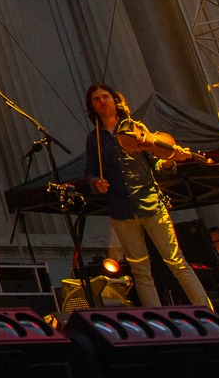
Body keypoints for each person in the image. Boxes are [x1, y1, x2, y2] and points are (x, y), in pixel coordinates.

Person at [82, 83, 211, 308]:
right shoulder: (94, 139)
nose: (102, 101)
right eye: (96, 99)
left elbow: (157, 164)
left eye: (105, 97)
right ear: (92, 106)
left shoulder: (135, 127)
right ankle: (156, 317)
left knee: (176, 261)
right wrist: (96, 182)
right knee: (141, 270)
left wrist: (171, 159)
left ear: (115, 100)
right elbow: (91, 171)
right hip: (121, 210)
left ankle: (205, 310)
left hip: (150, 203)